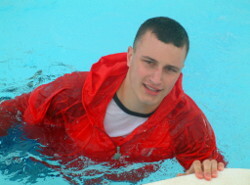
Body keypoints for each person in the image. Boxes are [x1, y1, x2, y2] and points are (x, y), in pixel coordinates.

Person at [0, 17, 226, 182]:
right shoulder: (72, 92)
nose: (157, 79)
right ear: (130, 56)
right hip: (39, 162)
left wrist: (203, 175)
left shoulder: (186, 124)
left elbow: (215, 169)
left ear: (180, 71)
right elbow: (14, 111)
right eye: (149, 62)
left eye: (170, 69)